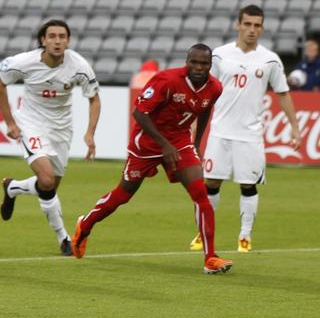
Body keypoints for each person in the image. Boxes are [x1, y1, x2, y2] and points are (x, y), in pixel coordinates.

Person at [71, 44, 234, 275]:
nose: (198, 67)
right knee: (122, 195)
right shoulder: (166, 80)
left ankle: (210, 258)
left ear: (210, 65)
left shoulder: (215, 87)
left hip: (179, 142)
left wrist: (195, 144)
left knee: (201, 194)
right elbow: (139, 112)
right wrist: (164, 145)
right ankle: (85, 225)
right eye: (194, 62)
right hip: (146, 143)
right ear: (186, 61)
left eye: (204, 64)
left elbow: (205, 110)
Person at [190, 5, 301, 253]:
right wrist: (194, 121)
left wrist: (295, 128)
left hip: (250, 135)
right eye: (248, 24)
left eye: (257, 25)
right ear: (238, 25)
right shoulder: (219, 55)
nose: (252, 29)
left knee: (248, 185)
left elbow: (283, 94)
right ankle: (203, 232)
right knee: (211, 183)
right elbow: (204, 91)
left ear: (262, 28)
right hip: (220, 131)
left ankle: (245, 235)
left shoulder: (270, 59)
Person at [0, 19, 101, 256]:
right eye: (52, 36)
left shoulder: (79, 65)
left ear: (68, 41)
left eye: (62, 36)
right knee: (46, 179)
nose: (57, 41)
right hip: (31, 124)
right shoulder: (24, 62)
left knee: (48, 186)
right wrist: (10, 121)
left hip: (61, 130)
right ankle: (64, 238)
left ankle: (13, 188)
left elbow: (94, 98)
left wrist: (90, 133)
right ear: (43, 40)